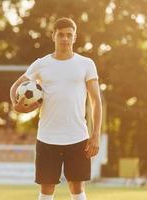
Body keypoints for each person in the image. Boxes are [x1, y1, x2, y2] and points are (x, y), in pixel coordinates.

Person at [10, 17, 102, 200]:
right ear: (53, 36)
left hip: (77, 136)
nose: (65, 39)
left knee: (77, 186)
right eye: (61, 35)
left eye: (69, 35)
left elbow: (95, 101)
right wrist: (18, 106)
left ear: (75, 37)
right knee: (46, 188)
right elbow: (14, 88)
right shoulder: (41, 64)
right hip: (47, 137)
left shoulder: (86, 64)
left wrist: (96, 134)